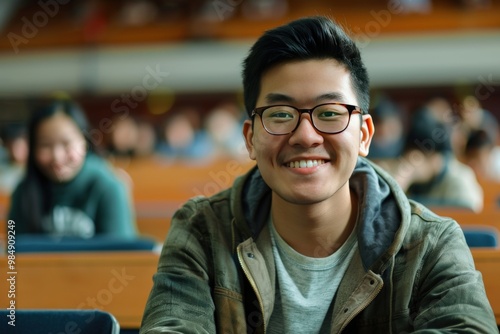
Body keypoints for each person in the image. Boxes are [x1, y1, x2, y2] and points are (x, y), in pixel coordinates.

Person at [140, 16, 497, 333]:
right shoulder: (201, 230)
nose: (306, 135)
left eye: (329, 112)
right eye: (280, 114)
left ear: (364, 135)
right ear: (250, 138)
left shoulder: (432, 245)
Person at [8, 99, 137, 238]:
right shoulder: (23, 192)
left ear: (85, 143)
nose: (57, 157)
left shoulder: (108, 187)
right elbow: (13, 253)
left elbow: (123, 254)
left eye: (66, 143)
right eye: (45, 145)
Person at [379, 103, 484, 212]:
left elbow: (470, 218)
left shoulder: (461, 180)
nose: (411, 163)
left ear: (436, 156)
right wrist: (396, 188)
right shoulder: (405, 177)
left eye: (417, 157)